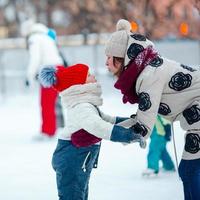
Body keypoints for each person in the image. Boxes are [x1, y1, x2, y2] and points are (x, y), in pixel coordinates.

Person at [105, 19, 200, 200]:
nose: (106, 62)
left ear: (123, 58)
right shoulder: (149, 69)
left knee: (189, 170)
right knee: (190, 170)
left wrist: (105, 131)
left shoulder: (149, 75)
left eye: (109, 57)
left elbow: (143, 127)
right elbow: (143, 116)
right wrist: (109, 121)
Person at [39, 63, 146, 200]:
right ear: (79, 85)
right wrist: (127, 135)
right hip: (72, 160)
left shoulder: (86, 104)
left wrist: (131, 121)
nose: (93, 76)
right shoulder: (81, 107)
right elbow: (98, 126)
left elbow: (106, 120)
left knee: (79, 194)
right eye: (88, 75)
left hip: (78, 160)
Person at [20, 20, 64, 140]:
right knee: (50, 102)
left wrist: (29, 76)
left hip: (49, 69)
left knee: (46, 103)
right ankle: (50, 129)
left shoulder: (34, 38)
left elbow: (35, 58)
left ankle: (48, 132)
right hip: (57, 68)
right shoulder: (46, 36)